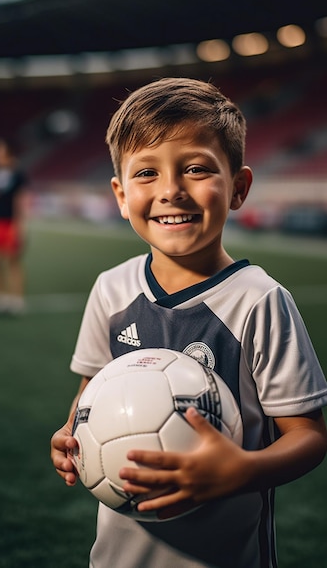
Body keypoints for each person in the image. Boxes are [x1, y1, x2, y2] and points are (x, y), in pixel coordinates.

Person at [50, 77, 327, 568]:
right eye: (146, 174)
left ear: (239, 187)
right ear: (119, 194)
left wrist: (241, 471)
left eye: (196, 169)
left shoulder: (260, 301)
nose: (171, 190)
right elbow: (92, 393)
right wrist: (72, 433)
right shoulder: (110, 290)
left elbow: (309, 437)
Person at [0, 137, 29, 315]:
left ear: (6, 152)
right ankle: (0, 296)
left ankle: (16, 299)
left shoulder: (17, 173)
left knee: (12, 261)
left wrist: (19, 226)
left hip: (11, 222)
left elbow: (20, 200)